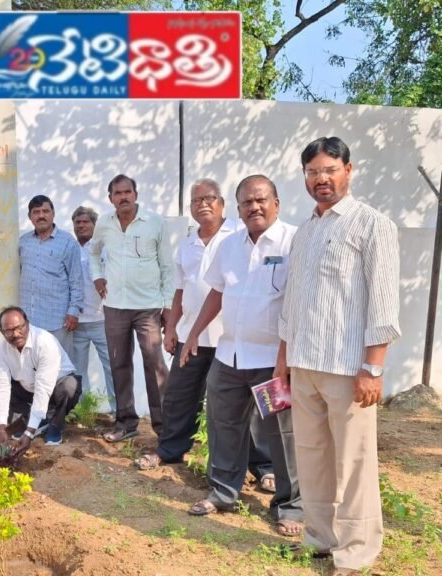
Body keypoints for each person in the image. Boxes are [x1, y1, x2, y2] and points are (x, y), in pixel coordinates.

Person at [277, 137, 401, 575]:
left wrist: (373, 368)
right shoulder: (305, 230)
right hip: (304, 365)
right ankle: (320, 538)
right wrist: (283, 363)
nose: (321, 179)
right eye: (313, 172)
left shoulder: (373, 225)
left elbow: (382, 304)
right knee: (311, 457)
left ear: (349, 170)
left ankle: (356, 551)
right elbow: (292, 303)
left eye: (330, 170)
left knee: (353, 462)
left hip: (348, 369)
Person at [133, 179, 275, 493]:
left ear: (224, 204)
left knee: (250, 408)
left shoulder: (239, 236)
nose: (203, 204)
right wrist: (171, 329)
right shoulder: (187, 243)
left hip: (232, 340)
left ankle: (264, 466)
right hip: (191, 336)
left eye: (210, 198)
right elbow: (180, 290)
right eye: (196, 200)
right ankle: (170, 449)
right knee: (179, 396)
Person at [182, 175, 303, 537]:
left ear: (276, 203)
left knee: (281, 435)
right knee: (223, 425)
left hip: (272, 362)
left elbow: (296, 305)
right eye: (247, 202)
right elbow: (217, 293)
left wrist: (285, 361)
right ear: (238, 208)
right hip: (230, 357)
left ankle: (290, 505)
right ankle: (223, 492)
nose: (255, 207)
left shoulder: (293, 241)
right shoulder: (229, 245)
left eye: (261, 200)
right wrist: (192, 335)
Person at [88, 174, 174, 442]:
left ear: (136, 194)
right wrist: (97, 276)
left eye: (128, 192)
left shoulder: (155, 222)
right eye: (117, 193)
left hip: (148, 306)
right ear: (110, 198)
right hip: (115, 306)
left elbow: (168, 266)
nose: (123, 197)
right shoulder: (104, 223)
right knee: (119, 364)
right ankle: (126, 422)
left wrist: (168, 305)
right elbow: (93, 253)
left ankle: (165, 427)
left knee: (155, 364)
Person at [0, 306, 82, 448]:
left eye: (19, 327)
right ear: (2, 332)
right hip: (27, 388)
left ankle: (55, 425)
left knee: (69, 387)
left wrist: (29, 433)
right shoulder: (0, 344)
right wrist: (2, 427)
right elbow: (1, 385)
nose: (15, 334)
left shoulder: (44, 342)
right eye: (9, 331)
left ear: (27, 323)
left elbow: (43, 389)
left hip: (54, 388)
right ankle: (37, 420)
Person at [18, 195, 83, 358]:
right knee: (31, 367)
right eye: (36, 212)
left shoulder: (68, 242)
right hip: (29, 320)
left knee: (61, 367)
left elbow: (76, 280)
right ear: (30, 217)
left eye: (45, 211)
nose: (41, 215)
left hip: (58, 320)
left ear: (53, 214)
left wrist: (73, 311)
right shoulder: (23, 242)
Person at [71, 206, 115, 410]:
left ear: (94, 225)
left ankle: (119, 411)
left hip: (103, 321)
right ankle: (82, 410)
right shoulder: (70, 249)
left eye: (85, 222)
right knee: (78, 370)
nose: (81, 226)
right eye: (77, 223)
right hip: (77, 322)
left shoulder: (104, 248)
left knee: (112, 368)